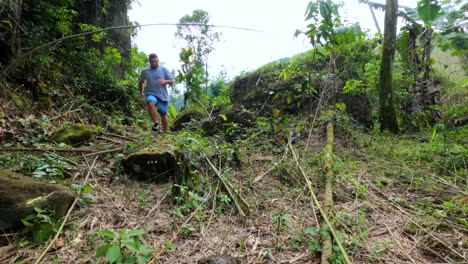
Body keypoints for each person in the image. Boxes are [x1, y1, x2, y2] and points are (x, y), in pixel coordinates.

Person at [139, 53, 174, 132]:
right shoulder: (145, 71)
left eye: (155, 61)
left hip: (163, 96)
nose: (154, 63)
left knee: (163, 114)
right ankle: (156, 124)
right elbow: (141, 82)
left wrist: (164, 81)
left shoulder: (164, 70)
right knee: (150, 102)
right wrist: (141, 92)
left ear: (158, 60)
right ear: (149, 62)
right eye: (152, 61)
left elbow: (172, 81)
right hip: (151, 93)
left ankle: (166, 132)